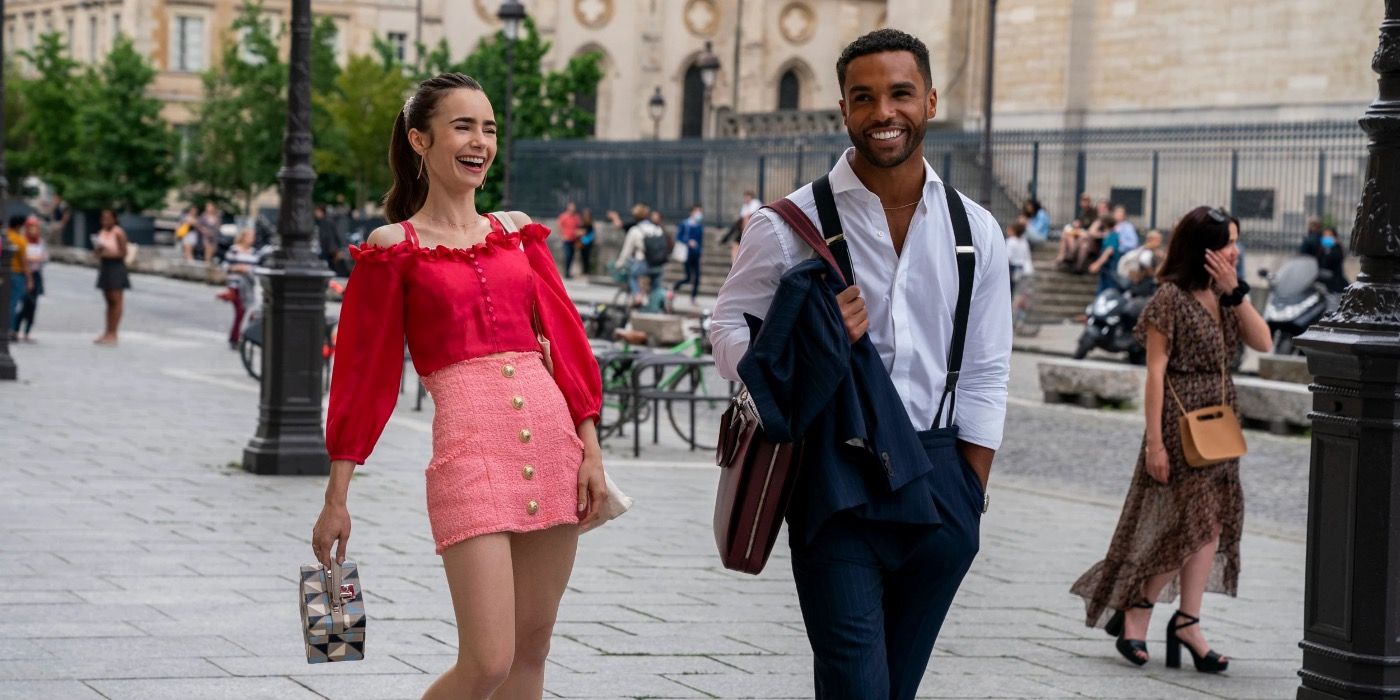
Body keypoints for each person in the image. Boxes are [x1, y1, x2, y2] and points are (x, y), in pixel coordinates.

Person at [711, 29, 1010, 699]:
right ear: (842, 110)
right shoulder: (788, 223)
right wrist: (798, 350)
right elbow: (724, 325)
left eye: (900, 93)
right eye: (864, 97)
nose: (884, 113)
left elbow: (988, 368)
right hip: (834, 483)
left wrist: (971, 490)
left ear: (929, 100)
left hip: (942, 482)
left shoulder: (975, 231)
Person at [311, 72, 613, 700]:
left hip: (554, 449)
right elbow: (363, 376)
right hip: (469, 455)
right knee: (489, 662)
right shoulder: (394, 248)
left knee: (532, 652)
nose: (480, 141)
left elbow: (566, 341)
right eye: (463, 126)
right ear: (420, 140)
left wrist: (591, 449)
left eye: (489, 128)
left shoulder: (518, 232)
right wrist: (337, 496)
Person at [1071, 206, 1271, 673]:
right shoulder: (1168, 299)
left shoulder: (1224, 295)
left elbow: (1263, 342)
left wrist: (1235, 291)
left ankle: (1186, 620)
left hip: (1220, 423)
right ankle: (1139, 610)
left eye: (1235, 242)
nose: (1234, 251)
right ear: (1203, 249)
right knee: (1188, 523)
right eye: (1227, 244)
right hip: (1181, 426)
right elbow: (1155, 374)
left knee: (1212, 523)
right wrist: (1155, 445)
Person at [613, 203, 666, 307]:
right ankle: (658, 303)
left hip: (643, 264)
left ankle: (637, 296)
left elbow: (626, 252)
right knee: (656, 288)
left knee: (632, 276)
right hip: (658, 264)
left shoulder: (635, 230)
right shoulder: (657, 229)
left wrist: (619, 265)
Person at [92, 209, 129, 345]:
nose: (105, 221)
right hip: (105, 267)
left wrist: (107, 254)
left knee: (116, 300)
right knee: (108, 301)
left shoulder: (118, 232)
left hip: (116, 267)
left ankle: (114, 333)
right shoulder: (102, 233)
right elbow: (97, 252)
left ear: (114, 219)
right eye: (103, 218)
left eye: (108, 218)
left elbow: (123, 253)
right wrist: (98, 249)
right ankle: (107, 331)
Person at [221, 227, 260, 349]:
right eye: (249, 236)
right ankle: (236, 338)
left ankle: (237, 337)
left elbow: (256, 268)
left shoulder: (254, 252)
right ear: (243, 237)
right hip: (236, 285)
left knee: (247, 312)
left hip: (248, 286)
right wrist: (237, 268)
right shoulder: (234, 250)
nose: (251, 239)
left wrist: (248, 270)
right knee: (240, 311)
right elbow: (225, 265)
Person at [12, 216, 46, 341]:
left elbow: (43, 257)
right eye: (31, 227)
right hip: (24, 274)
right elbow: (24, 259)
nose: (34, 230)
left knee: (33, 305)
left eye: (36, 227)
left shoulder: (40, 241)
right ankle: (15, 330)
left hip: (36, 274)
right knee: (23, 303)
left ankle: (27, 332)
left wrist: (35, 258)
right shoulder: (22, 240)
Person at [5, 216, 32, 340]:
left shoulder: (4, 237)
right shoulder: (20, 240)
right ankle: (9, 329)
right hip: (16, 275)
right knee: (12, 303)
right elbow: (24, 262)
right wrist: (30, 279)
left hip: (4, 274)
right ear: (18, 226)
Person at [672, 204, 705, 305]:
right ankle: (675, 287)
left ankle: (693, 297)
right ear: (691, 213)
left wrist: (700, 251)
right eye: (697, 211)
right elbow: (678, 237)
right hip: (687, 254)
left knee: (697, 278)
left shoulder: (699, 226)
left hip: (696, 254)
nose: (699, 214)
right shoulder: (685, 224)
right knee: (688, 277)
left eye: (700, 211)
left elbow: (700, 240)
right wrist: (688, 241)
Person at [1087, 214, 1123, 293]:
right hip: (1106, 269)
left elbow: (1109, 251)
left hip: (1111, 268)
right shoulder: (1107, 235)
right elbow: (1091, 232)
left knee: (1108, 291)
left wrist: (1097, 264)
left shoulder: (1113, 235)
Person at [722, 190, 760, 263]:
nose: (744, 199)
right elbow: (742, 217)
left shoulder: (755, 203)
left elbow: (747, 216)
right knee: (735, 245)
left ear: (750, 197)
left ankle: (726, 238)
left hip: (753, 228)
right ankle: (734, 263)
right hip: (745, 229)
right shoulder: (745, 206)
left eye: (746, 197)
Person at [315, 204, 350, 277]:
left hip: (328, 250)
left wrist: (333, 250)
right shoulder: (326, 221)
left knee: (330, 267)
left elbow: (330, 237)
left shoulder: (326, 222)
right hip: (328, 249)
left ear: (321, 211)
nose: (315, 213)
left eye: (317, 211)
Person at [1005, 220, 1033, 297]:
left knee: (1013, 291)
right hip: (1025, 269)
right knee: (1022, 292)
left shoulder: (1010, 241)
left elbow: (1008, 257)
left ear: (1013, 231)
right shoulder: (1024, 242)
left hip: (1014, 269)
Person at [1317, 226, 1348, 293]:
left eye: (1330, 235)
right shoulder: (1321, 250)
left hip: (1336, 284)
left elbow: (1333, 260)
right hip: (1323, 285)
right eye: (1325, 235)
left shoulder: (1337, 249)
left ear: (1335, 237)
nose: (1327, 238)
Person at [557, 202, 581, 279]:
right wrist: (562, 236)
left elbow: (578, 227)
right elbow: (560, 227)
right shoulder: (563, 216)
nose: (572, 210)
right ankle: (566, 272)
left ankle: (568, 272)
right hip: (566, 239)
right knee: (568, 255)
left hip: (574, 239)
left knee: (571, 256)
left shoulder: (576, 217)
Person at [577, 209, 597, 277]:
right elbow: (578, 232)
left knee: (587, 257)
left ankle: (587, 271)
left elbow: (587, 233)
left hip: (588, 243)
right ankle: (584, 270)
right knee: (582, 257)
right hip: (582, 243)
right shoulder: (582, 223)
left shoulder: (590, 224)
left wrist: (582, 232)